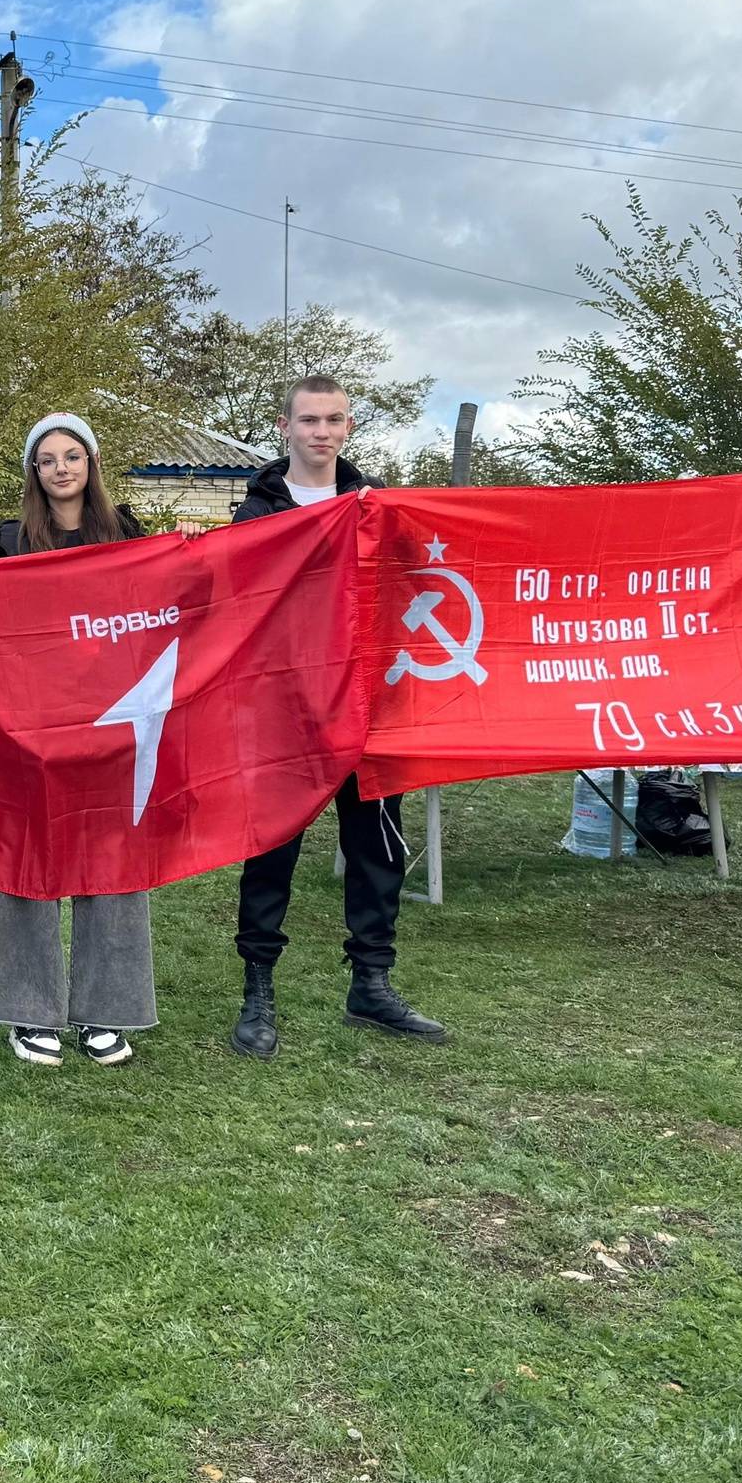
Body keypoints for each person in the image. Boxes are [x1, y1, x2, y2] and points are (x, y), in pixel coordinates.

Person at [221, 375, 445, 1060]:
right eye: (309, 420)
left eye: (334, 420)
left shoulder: (378, 507)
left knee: (377, 849)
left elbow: (410, 585)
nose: (322, 431)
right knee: (271, 850)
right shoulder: (255, 514)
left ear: (349, 427)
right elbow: (233, 605)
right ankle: (258, 990)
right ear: (285, 427)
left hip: (367, 706)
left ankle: (371, 984)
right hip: (284, 711)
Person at [0, 412, 155, 1066]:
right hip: (27, 729)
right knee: (24, 860)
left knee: (113, 864)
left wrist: (191, 548)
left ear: (90, 463)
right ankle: (30, 1012)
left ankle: (106, 1012)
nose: (60, 468)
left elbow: (176, 605)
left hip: (111, 725)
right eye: (46, 460)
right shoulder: (6, 544)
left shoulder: (130, 538)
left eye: (72, 456)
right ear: (34, 471)